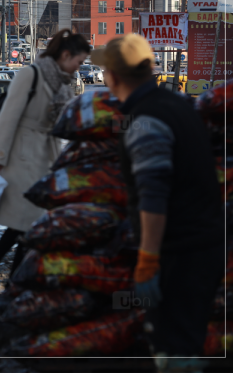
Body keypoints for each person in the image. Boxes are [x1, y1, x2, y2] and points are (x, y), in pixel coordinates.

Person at [92, 35, 223, 369]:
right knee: (186, 344)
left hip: (177, 254)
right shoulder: (177, 105)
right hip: (201, 247)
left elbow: (154, 194)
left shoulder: (145, 121)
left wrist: (148, 258)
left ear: (113, 78)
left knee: (174, 349)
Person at [0, 29, 90, 288]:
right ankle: (6, 273)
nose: (78, 68)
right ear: (65, 54)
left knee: (31, 220)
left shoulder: (61, 83)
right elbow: (7, 117)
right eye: (78, 62)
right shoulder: (31, 74)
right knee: (28, 218)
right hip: (21, 155)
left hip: (46, 154)